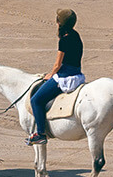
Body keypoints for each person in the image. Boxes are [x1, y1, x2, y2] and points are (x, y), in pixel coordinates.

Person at [27, 8, 87, 145]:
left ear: (60, 23)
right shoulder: (76, 35)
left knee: (36, 100)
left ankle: (41, 133)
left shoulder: (64, 40)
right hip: (78, 75)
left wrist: (50, 75)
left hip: (65, 77)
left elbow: (57, 65)